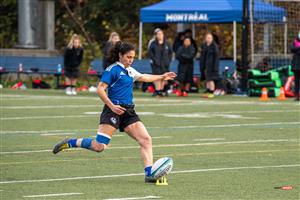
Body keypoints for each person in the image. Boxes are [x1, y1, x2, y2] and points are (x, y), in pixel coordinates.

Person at [52, 41, 176, 183]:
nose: (131, 60)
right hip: (112, 111)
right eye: (128, 57)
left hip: (128, 112)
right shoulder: (112, 70)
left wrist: (162, 76)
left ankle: (149, 174)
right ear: (120, 55)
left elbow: (144, 77)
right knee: (99, 146)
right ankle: (70, 142)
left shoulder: (130, 70)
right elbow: (100, 89)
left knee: (146, 139)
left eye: (133, 57)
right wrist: (111, 106)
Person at [148, 28, 173, 97]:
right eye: (158, 34)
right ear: (156, 35)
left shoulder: (167, 43)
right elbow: (150, 53)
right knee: (157, 77)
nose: (160, 35)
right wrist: (154, 60)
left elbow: (170, 53)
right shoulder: (153, 43)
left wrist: (168, 60)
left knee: (164, 77)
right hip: (156, 64)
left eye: (161, 34)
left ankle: (161, 90)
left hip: (165, 64)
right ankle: (157, 90)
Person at [200, 32, 220, 98]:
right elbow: (203, 56)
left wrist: (215, 67)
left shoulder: (214, 46)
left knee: (211, 79)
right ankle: (208, 91)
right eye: (208, 38)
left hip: (212, 66)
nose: (209, 39)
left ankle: (212, 92)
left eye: (210, 38)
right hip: (206, 65)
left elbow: (216, 58)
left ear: (212, 39)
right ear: (205, 39)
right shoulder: (204, 45)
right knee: (207, 79)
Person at [291, 31, 300, 101]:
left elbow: (295, 50)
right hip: (296, 65)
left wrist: (297, 49)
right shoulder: (295, 42)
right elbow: (292, 49)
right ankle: (297, 96)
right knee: (296, 81)